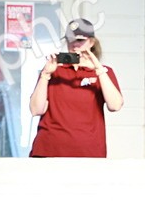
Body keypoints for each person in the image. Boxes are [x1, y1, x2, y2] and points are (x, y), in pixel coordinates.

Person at [29, 18, 124, 157]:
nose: (74, 45)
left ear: (91, 42)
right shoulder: (53, 71)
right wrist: (45, 75)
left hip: (88, 152)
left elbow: (115, 105)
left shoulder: (103, 72)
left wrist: (98, 69)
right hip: (49, 150)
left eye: (80, 40)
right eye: (70, 40)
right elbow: (36, 109)